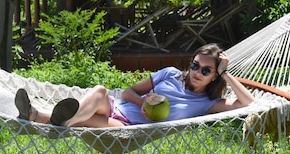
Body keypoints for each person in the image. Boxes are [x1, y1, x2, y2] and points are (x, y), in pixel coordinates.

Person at [15, 43, 255, 127]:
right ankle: (65, 122)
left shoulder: (208, 103)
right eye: (194, 65)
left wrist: (227, 72)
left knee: (83, 119)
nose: (197, 72)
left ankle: (37, 115)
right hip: (115, 108)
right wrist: (144, 102)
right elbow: (128, 91)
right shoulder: (169, 74)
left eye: (206, 70)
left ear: (214, 75)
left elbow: (248, 102)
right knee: (99, 91)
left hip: (124, 128)